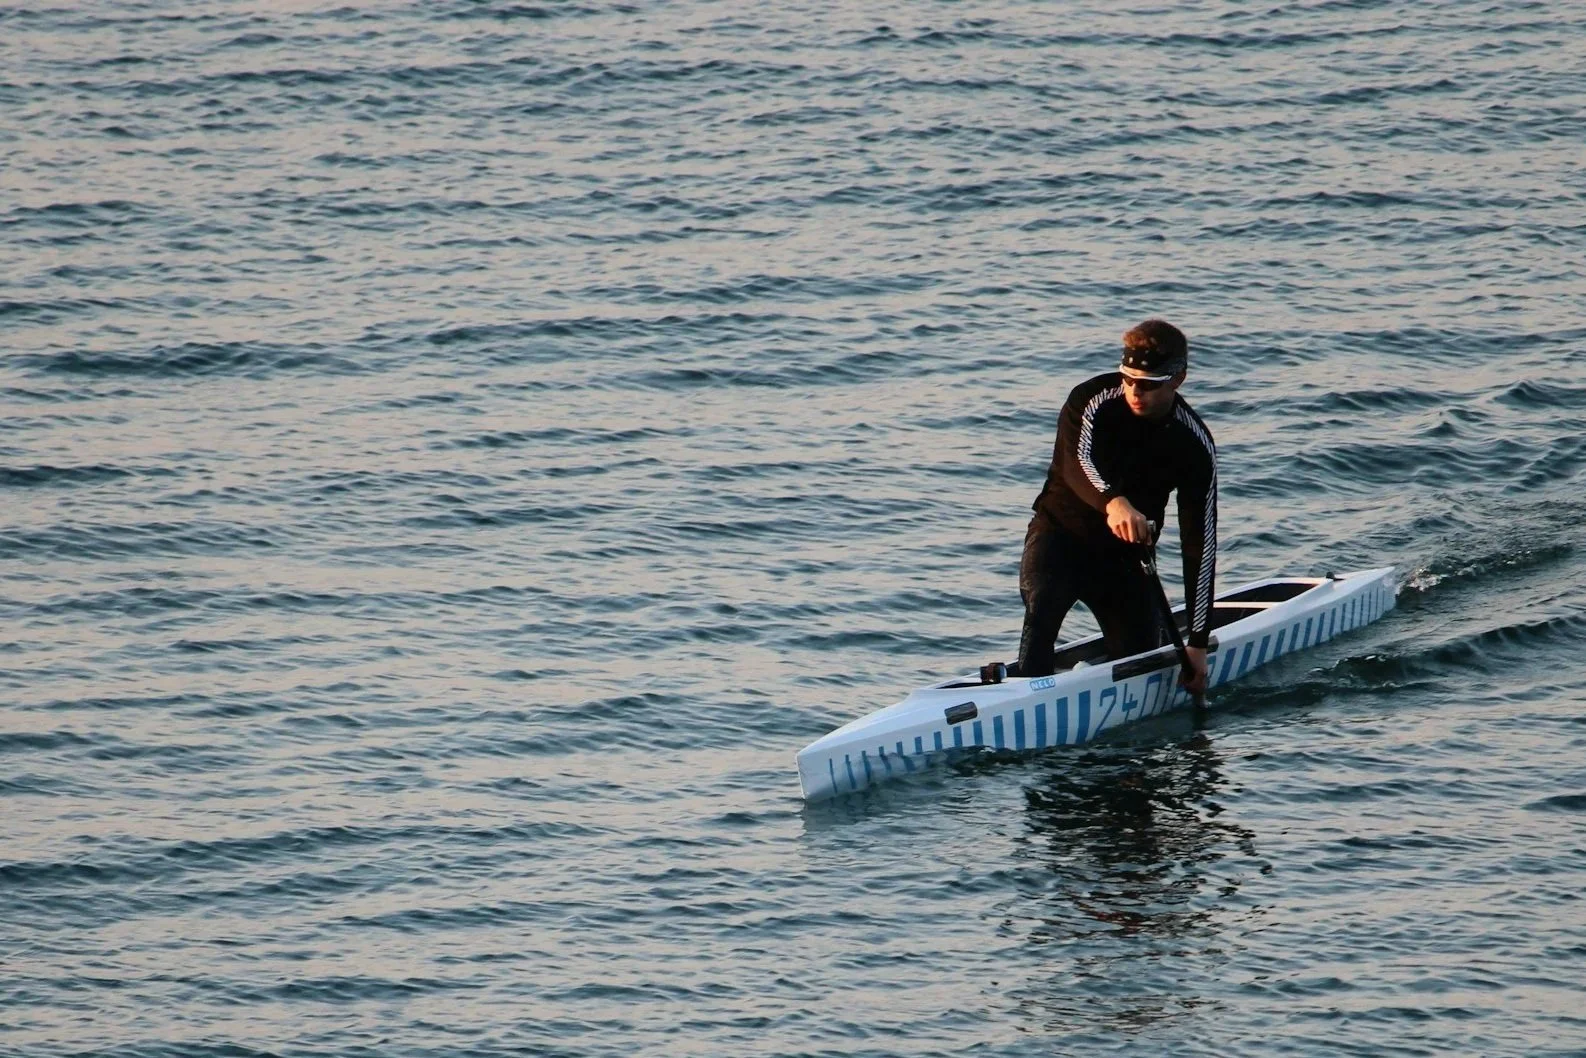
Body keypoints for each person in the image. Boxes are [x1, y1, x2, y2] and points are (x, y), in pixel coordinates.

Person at [1014, 319, 1217, 691]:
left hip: (1125, 560)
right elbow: (1078, 465)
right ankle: (1026, 687)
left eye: (1148, 384)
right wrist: (1114, 503)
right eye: (1128, 379)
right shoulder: (1091, 401)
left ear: (1178, 379)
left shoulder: (1193, 445)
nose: (1134, 392)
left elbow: (1199, 545)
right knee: (1041, 609)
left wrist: (1198, 644)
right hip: (1060, 539)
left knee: (1140, 657)